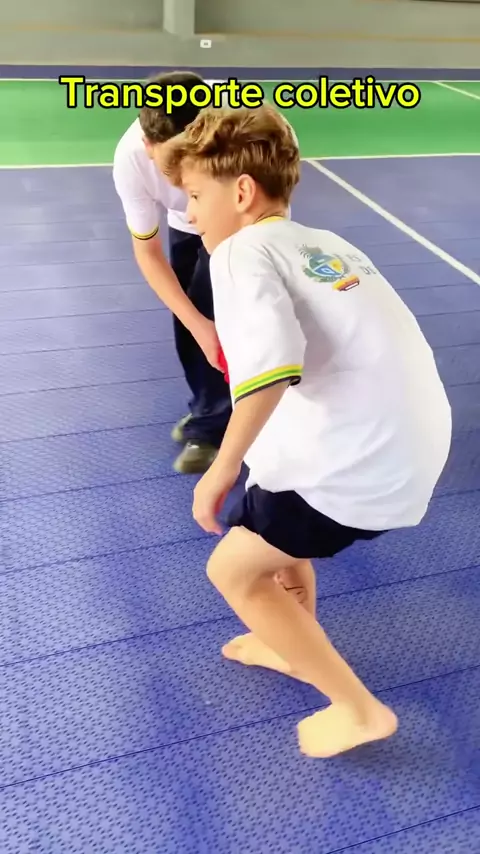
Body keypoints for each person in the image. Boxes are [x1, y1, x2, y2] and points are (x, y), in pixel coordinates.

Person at [160, 103, 453, 758]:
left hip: (364, 462)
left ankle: (358, 710)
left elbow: (271, 371)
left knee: (233, 571)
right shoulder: (323, 242)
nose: (191, 215)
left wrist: (219, 468)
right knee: (266, 502)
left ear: (241, 192)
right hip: (410, 442)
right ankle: (288, 641)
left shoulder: (239, 252)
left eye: (197, 196)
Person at [113, 70, 232, 474]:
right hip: (184, 224)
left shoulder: (242, 128)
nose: (182, 179)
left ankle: (220, 420)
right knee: (190, 318)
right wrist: (199, 326)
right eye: (171, 168)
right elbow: (148, 253)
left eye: (191, 163)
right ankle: (210, 411)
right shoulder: (130, 159)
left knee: (235, 313)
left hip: (238, 217)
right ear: (149, 146)